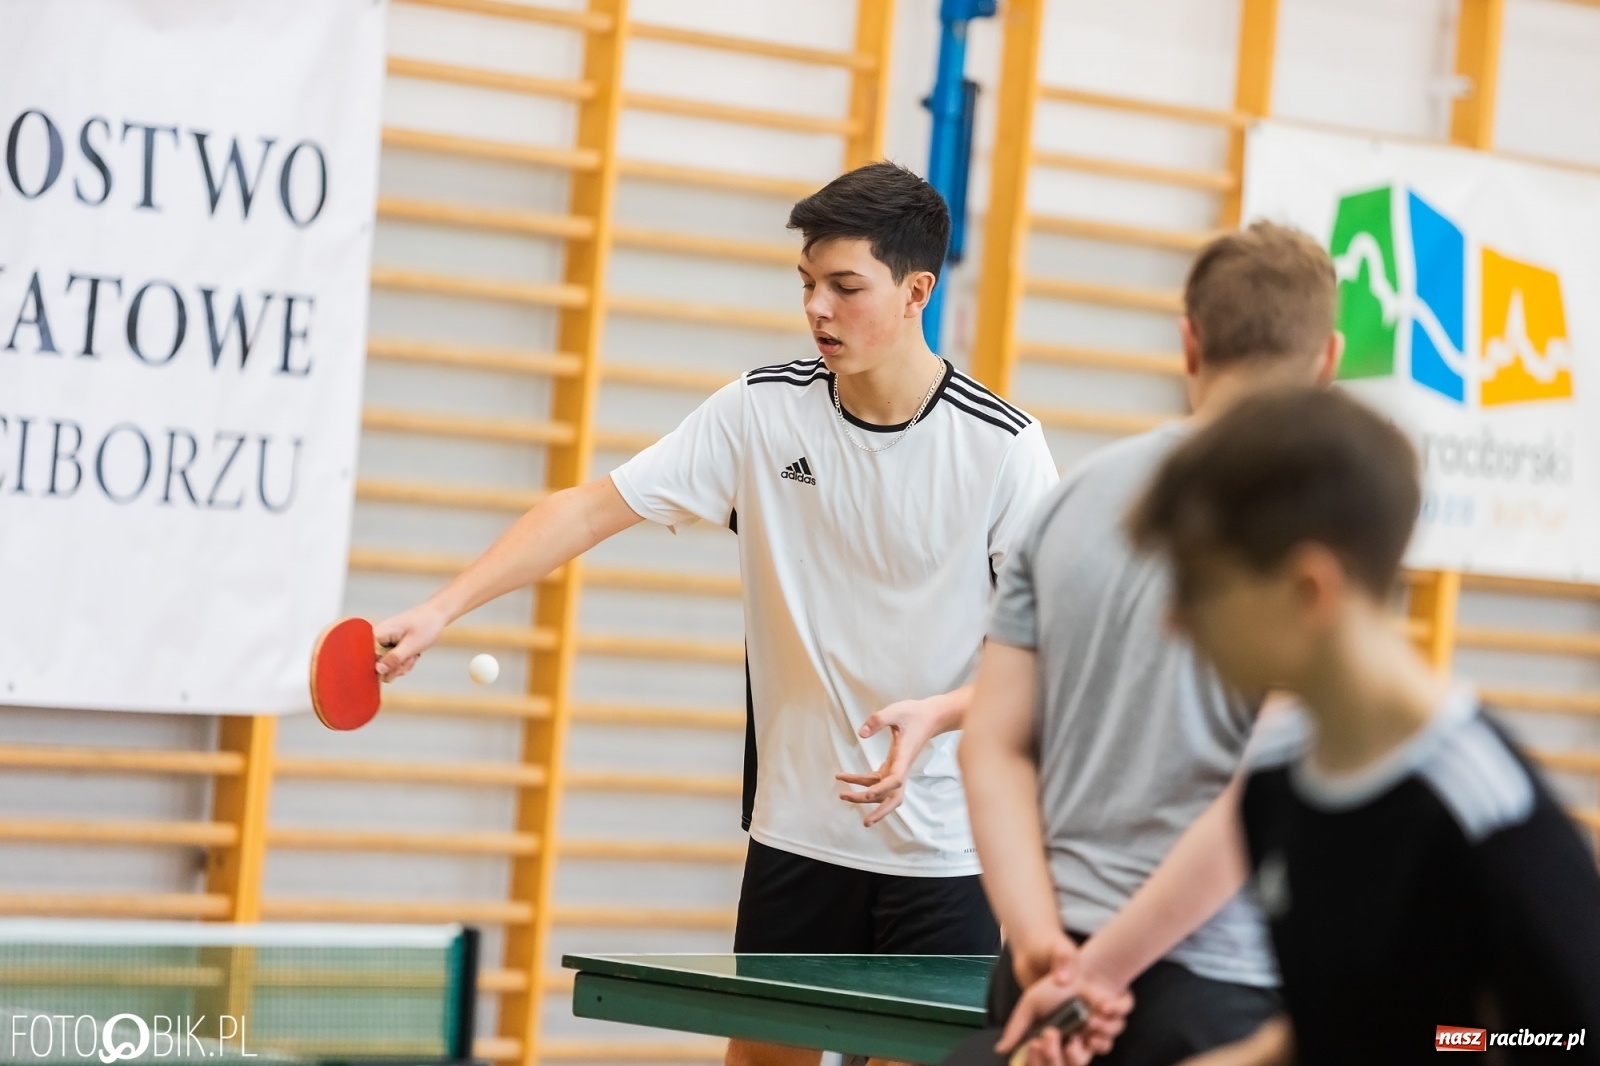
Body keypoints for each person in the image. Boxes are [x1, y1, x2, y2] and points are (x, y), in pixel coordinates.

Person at [372, 162, 1063, 1066]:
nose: (817, 308)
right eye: (807, 284)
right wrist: (441, 608)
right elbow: (592, 506)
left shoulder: (1002, 449)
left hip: (946, 854)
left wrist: (939, 712)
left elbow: (1051, 649)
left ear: (914, 292)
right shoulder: (761, 412)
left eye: (844, 287)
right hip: (798, 832)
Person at [960, 222, 1343, 1066]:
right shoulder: (1323, 532)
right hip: (1211, 991)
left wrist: (1040, 950)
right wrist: (1105, 972)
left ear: (1189, 342)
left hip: (1043, 976)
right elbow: (1261, 795)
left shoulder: (1069, 503)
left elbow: (990, 745)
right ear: (1327, 359)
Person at [1124, 387, 1600, 1064]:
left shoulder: (1484, 814)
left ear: (1308, 590)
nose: (1176, 619)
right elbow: (1339, 1019)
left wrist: (1447, 1043)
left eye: (1199, 587)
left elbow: (1565, 1036)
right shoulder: (1271, 785)